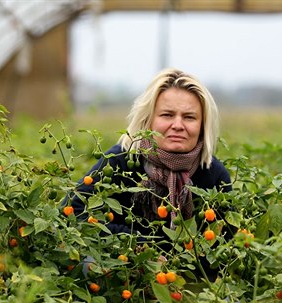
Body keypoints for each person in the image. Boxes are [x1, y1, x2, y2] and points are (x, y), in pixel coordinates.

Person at [68, 68, 232, 247]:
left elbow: (226, 240)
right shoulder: (121, 160)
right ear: (148, 120)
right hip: (121, 269)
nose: (177, 125)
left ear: (202, 125)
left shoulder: (212, 173)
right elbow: (73, 213)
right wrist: (141, 246)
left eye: (189, 117)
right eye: (167, 115)